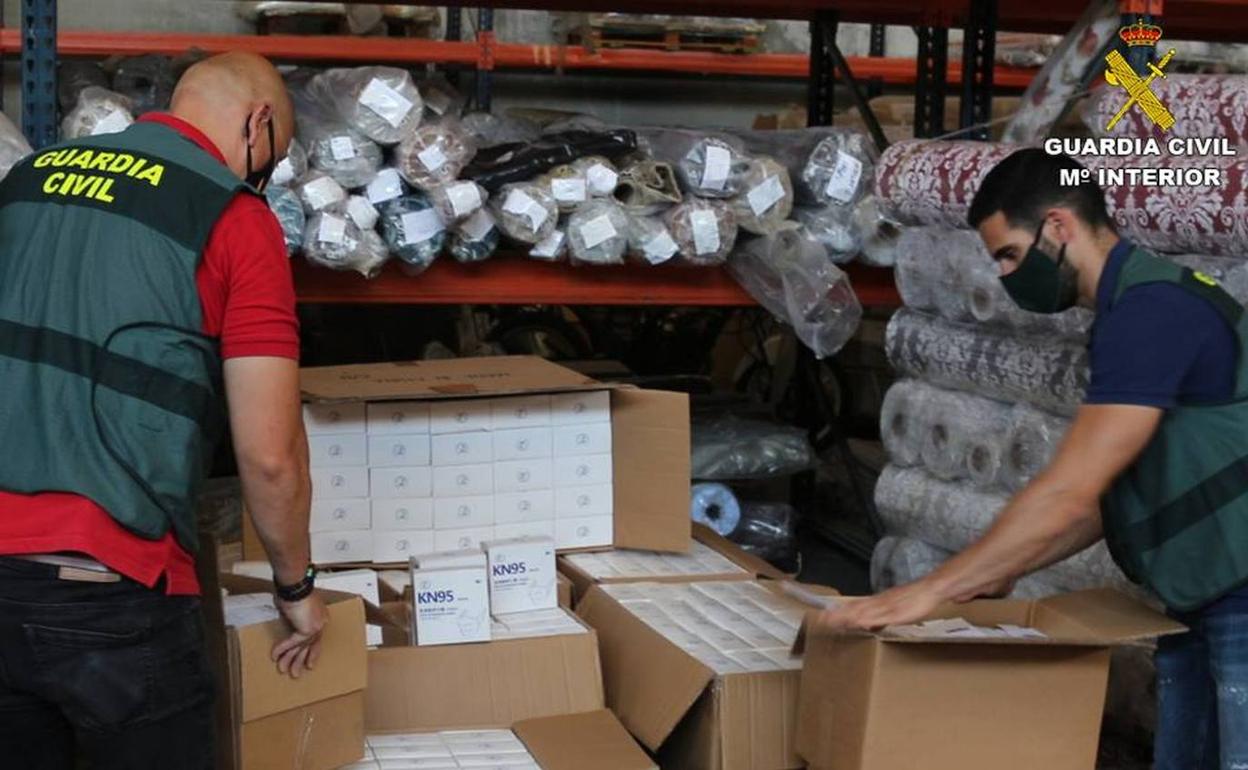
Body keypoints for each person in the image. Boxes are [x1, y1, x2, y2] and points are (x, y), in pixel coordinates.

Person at [820, 147, 1248, 769]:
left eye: (1009, 255)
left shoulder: (1153, 313)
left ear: (1058, 226)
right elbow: (1101, 504)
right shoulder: (1133, 310)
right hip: (1206, 595)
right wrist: (989, 574)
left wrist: (927, 592)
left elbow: (1070, 490)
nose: (1007, 278)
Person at [0, 52, 328, 769]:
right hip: (110, 587)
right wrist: (295, 586)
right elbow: (270, 454)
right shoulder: (234, 216)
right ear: (258, 123)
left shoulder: (25, 182)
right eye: (270, 160)